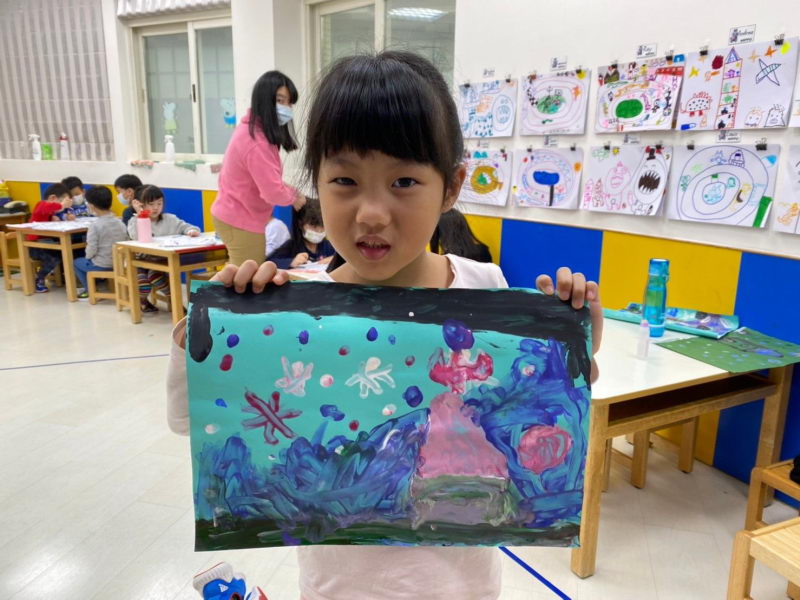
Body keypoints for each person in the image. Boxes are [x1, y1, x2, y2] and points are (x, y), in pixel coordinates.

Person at [167, 51, 602, 600]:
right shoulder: (292, 311)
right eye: (345, 179)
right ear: (316, 185)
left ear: (451, 187)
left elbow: (556, 403)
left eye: (403, 181)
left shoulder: (486, 288)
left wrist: (579, 336)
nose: (371, 212)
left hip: (463, 591)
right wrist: (209, 331)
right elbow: (188, 419)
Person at [211, 70, 306, 265]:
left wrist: (291, 191)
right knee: (247, 275)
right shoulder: (257, 141)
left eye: (289, 102)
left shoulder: (253, 131)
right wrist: (293, 197)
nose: (286, 108)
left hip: (234, 215)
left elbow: (266, 179)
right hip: (240, 218)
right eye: (279, 100)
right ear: (263, 100)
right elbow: (272, 192)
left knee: (240, 273)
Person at [128, 184, 201, 312]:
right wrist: (141, 215)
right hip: (140, 262)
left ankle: (176, 304)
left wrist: (191, 231)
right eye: (151, 204)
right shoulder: (135, 221)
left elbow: (187, 227)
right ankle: (143, 301)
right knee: (143, 285)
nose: (156, 207)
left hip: (161, 261)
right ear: (140, 204)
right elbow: (138, 237)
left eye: (159, 203)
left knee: (155, 276)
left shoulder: (170, 219)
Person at [73, 186, 127, 298]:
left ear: (92, 206)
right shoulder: (120, 222)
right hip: (120, 263)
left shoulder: (95, 226)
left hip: (102, 264)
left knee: (77, 262)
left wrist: (88, 258)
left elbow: (91, 248)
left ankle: (90, 290)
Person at [28, 183, 73, 293]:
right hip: (35, 246)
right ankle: (39, 278)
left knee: (64, 254)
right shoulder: (41, 205)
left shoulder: (50, 212)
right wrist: (62, 205)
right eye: (61, 201)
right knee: (53, 259)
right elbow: (44, 209)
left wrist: (64, 216)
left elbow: (52, 213)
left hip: (47, 243)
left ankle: (61, 276)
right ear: (52, 198)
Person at [267, 198, 334, 268]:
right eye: (313, 226)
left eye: (322, 226)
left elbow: (340, 258)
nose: (319, 231)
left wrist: (335, 259)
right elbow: (270, 261)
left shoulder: (329, 246)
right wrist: (291, 262)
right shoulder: (291, 246)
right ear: (300, 224)